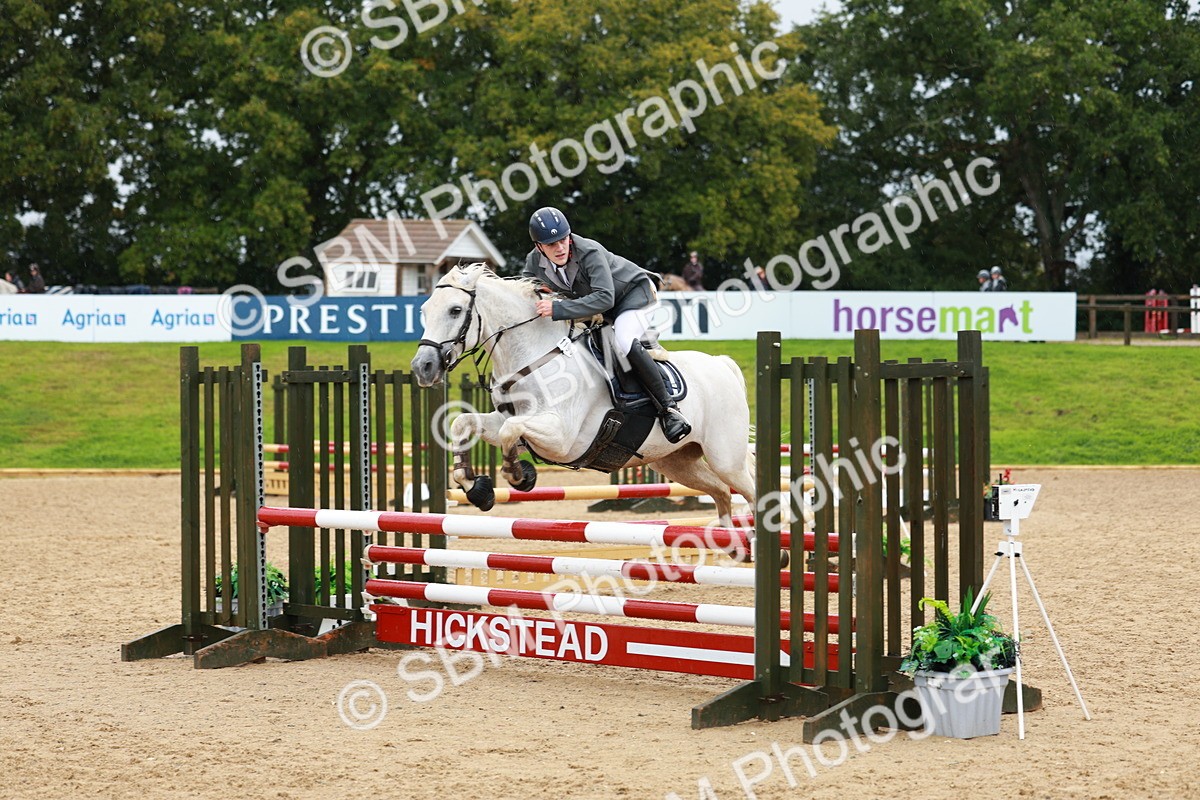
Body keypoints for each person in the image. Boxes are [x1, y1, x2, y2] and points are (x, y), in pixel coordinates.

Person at [523, 206, 691, 443]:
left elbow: (604, 298)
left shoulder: (588, 251)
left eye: (563, 240)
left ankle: (670, 410)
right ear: (539, 246)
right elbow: (525, 287)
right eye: (551, 244)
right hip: (602, 310)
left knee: (623, 340)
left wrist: (557, 308)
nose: (560, 248)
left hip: (634, 296)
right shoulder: (533, 261)